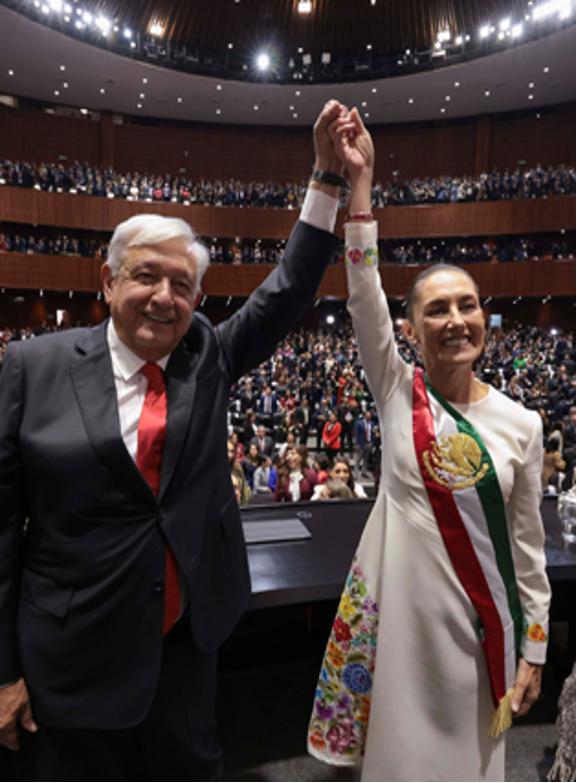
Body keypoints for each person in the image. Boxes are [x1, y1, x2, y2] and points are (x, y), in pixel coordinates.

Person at [0, 101, 347, 782]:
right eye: (145, 276)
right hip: (71, 656)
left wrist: (326, 178)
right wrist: (4, 672)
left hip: (184, 644)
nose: (163, 296)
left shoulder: (204, 356)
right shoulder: (30, 367)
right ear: (108, 281)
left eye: (181, 285)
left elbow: (286, 291)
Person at [309, 109, 551, 782]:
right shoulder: (395, 390)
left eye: (467, 305)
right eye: (436, 310)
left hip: (481, 639)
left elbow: (527, 552)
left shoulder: (520, 424)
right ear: (410, 327)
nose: (455, 320)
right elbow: (361, 294)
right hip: (403, 637)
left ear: (484, 320)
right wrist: (360, 185)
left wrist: (531, 647)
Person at [355, 410, 376, 478]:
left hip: (369, 443)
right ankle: (355, 473)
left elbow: (372, 433)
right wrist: (357, 443)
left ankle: (364, 472)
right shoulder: (359, 423)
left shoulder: (372, 423)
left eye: (369, 416)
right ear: (365, 416)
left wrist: (372, 441)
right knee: (358, 459)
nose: (368, 417)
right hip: (361, 443)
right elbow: (357, 434)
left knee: (366, 459)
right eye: (367, 416)